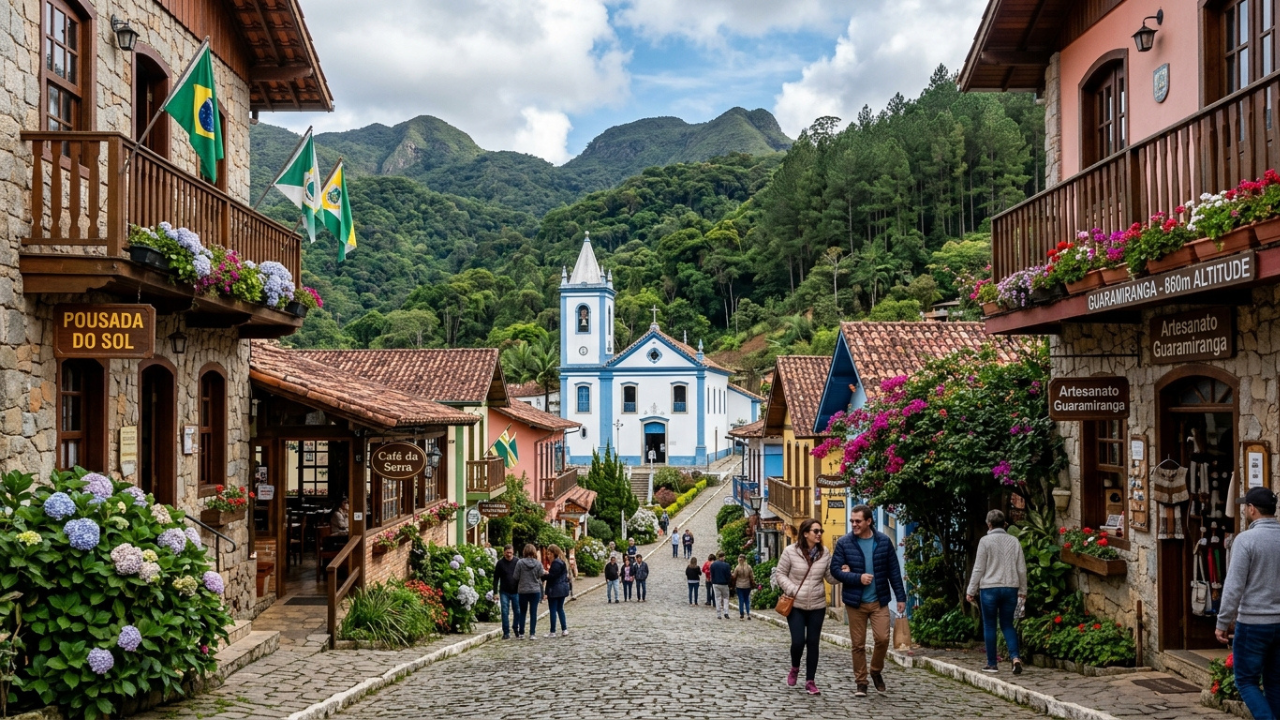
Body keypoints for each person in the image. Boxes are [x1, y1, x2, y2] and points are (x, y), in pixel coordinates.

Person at [1216, 487, 1280, 720]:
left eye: (1246, 506)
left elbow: (1234, 587)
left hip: (1254, 623)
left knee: (1245, 681)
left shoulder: (1245, 540)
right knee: (1275, 683)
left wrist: (1223, 622)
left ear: (1252, 509)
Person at [830, 505, 907, 698]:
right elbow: (835, 570)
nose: (854, 524)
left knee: (882, 639)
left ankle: (875, 670)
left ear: (868, 521)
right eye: (852, 521)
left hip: (879, 600)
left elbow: (894, 570)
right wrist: (857, 578)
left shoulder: (883, 541)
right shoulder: (844, 543)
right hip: (855, 602)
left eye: (858, 521)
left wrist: (901, 597)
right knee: (858, 644)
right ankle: (861, 682)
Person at [776, 518, 837, 695]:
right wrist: (792, 589)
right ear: (805, 533)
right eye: (815, 531)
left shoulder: (824, 553)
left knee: (813, 642)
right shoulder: (790, 552)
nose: (819, 534)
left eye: (820, 531)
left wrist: (842, 573)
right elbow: (780, 574)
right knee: (798, 641)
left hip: (817, 605)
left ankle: (810, 681)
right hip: (796, 604)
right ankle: (795, 667)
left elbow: (829, 577)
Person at [966, 509, 1028, 675]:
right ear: (1005, 524)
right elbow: (1021, 569)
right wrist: (1023, 590)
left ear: (989, 524)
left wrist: (971, 590)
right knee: (1007, 624)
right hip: (1010, 588)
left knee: (990, 625)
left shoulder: (985, 541)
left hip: (990, 589)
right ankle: (1015, 658)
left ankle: (992, 664)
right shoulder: (1014, 541)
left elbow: (979, 568)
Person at [514, 544, 545, 639]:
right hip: (535, 590)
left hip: (523, 590)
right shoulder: (538, 563)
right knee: (533, 612)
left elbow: (515, 576)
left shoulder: (520, 563)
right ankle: (532, 633)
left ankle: (522, 633)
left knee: (523, 612)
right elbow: (541, 574)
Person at [493, 544, 520, 640]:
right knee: (505, 611)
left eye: (510, 552)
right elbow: (496, 578)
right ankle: (506, 632)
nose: (509, 554)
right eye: (507, 552)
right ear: (504, 552)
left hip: (516, 591)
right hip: (504, 591)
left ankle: (515, 627)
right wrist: (495, 592)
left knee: (517, 611)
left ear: (513, 552)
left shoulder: (517, 562)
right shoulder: (500, 563)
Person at [543, 544, 572, 637]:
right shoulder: (562, 562)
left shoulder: (556, 563)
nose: (548, 556)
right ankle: (564, 629)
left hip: (555, 589)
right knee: (560, 609)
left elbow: (552, 577)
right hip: (562, 589)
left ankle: (553, 631)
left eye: (549, 554)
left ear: (553, 553)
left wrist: (544, 575)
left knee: (553, 610)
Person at [710, 552, 733, 619]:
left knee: (717, 598)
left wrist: (713, 582)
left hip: (716, 584)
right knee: (725, 598)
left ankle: (719, 614)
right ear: (723, 557)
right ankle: (726, 612)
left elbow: (712, 574)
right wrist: (728, 582)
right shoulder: (726, 565)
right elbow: (728, 575)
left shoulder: (713, 565)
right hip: (724, 584)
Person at [733, 554, 755, 620]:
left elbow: (734, 576)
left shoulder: (737, 567)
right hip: (747, 585)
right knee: (747, 600)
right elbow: (751, 577)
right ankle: (748, 614)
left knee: (741, 600)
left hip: (739, 585)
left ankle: (741, 614)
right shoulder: (749, 567)